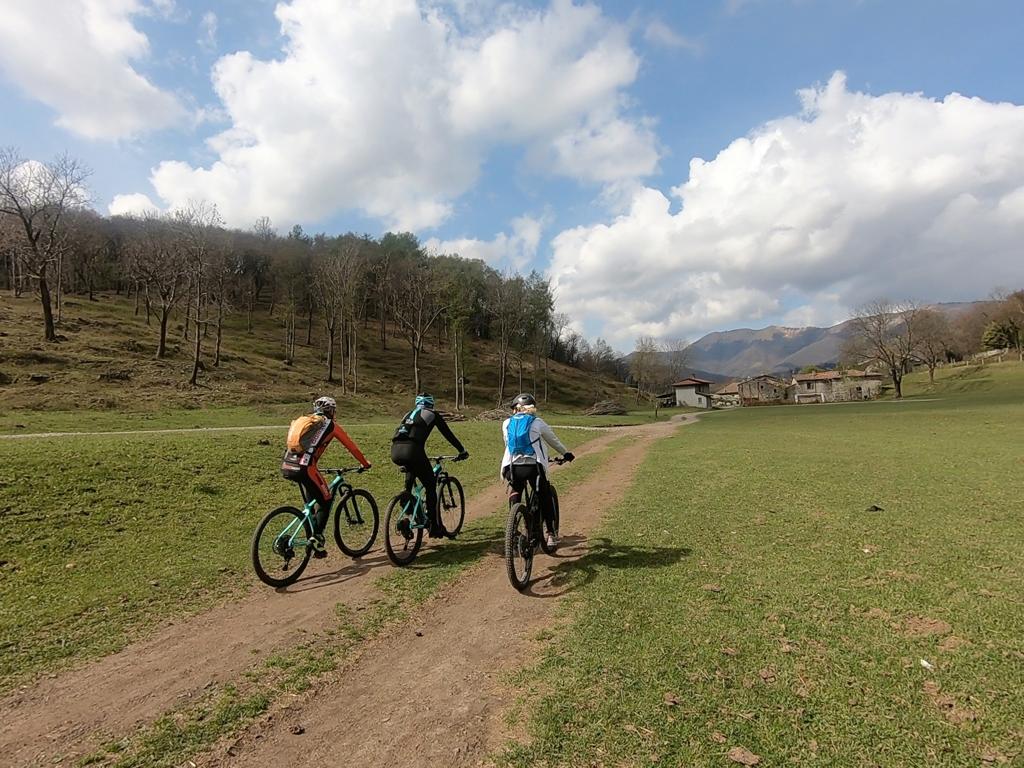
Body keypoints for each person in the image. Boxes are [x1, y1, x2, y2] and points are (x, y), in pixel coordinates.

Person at [280, 396, 371, 558]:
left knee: (311, 505)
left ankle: (310, 536)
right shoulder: (331, 425)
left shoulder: (306, 422)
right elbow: (351, 447)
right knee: (326, 499)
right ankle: (317, 538)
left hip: (287, 465)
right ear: (331, 411)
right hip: (305, 468)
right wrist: (365, 463)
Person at [500, 393, 574, 549]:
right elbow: (553, 440)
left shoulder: (506, 423)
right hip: (533, 468)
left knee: (515, 489)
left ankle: (513, 528)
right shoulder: (537, 422)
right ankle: (551, 534)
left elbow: (508, 443)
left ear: (515, 409)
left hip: (511, 467)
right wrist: (566, 454)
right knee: (544, 495)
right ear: (532, 408)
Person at [390, 393, 469, 538]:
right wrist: (461, 450)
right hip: (413, 451)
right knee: (430, 485)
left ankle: (407, 510)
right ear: (431, 404)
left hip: (395, 451)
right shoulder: (432, 414)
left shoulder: (408, 414)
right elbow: (448, 434)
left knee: (410, 479)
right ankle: (434, 526)